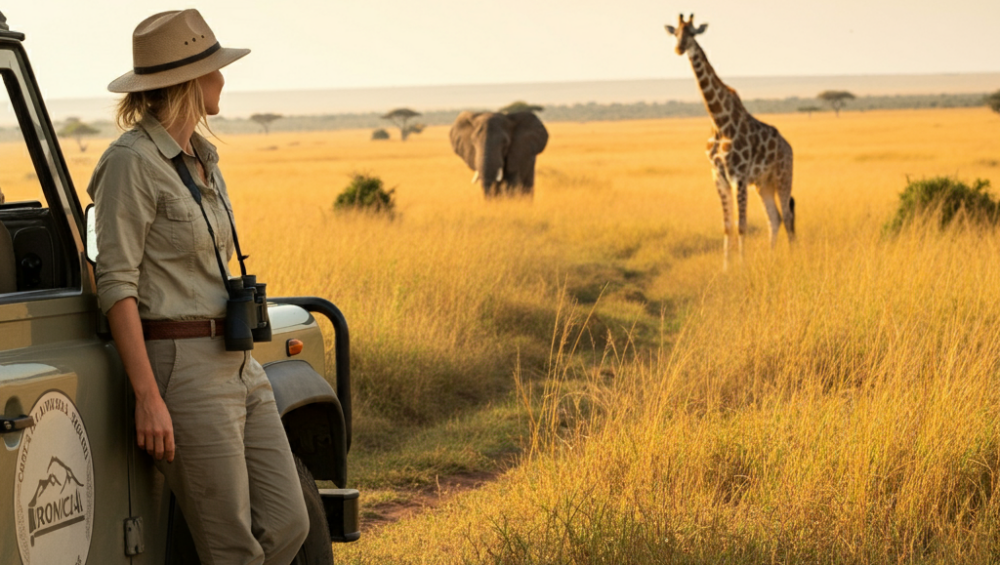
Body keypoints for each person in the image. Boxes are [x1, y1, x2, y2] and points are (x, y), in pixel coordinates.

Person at [87, 10, 309, 564]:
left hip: (236, 362)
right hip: (180, 367)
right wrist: (148, 397)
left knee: (290, 523)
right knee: (231, 548)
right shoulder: (130, 164)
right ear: (189, 82)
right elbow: (116, 285)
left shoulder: (204, 159)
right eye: (215, 70)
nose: (223, 80)